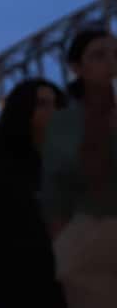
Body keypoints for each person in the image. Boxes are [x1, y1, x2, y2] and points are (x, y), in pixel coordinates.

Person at [0, 78, 66, 308]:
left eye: (56, 104)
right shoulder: (1, 168)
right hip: (22, 282)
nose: (53, 112)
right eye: (42, 104)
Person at [41, 27, 117, 308]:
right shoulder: (64, 124)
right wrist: (65, 246)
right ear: (76, 67)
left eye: (116, 54)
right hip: (90, 235)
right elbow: (55, 191)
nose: (112, 63)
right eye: (99, 55)